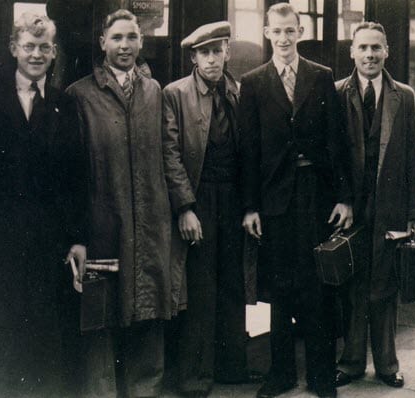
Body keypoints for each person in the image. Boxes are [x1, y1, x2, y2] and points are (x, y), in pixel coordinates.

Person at [0, 13, 87, 396]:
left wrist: (78, 238)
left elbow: (77, 176)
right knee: (0, 323)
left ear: (54, 52)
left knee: (45, 327)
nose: (36, 54)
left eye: (44, 47)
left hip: (49, 235)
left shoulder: (65, 104)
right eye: (29, 46)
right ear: (14, 49)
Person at [238, 3, 352, 398]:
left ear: (300, 31)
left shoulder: (321, 77)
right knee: (279, 288)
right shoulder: (252, 83)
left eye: (290, 31)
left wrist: (344, 198)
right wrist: (250, 206)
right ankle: (281, 373)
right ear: (267, 34)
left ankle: (321, 375)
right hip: (274, 200)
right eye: (277, 32)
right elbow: (248, 150)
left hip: (315, 196)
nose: (284, 39)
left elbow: (337, 141)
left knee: (317, 286)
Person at [66, 9, 179, 398]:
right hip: (103, 222)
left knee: (148, 309)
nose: (125, 45)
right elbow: (72, 171)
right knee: (101, 313)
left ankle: (145, 391)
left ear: (142, 41)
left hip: (150, 220)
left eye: (132, 37)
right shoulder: (80, 96)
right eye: (116, 38)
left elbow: (169, 153)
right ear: (102, 43)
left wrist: (183, 207)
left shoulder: (154, 91)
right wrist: (79, 229)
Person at [162, 21, 262, 397]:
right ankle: (194, 376)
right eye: (204, 52)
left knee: (233, 283)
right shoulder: (176, 94)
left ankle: (232, 366)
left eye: (218, 51)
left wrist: (249, 204)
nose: (212, 59)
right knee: (200, 288)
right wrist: (185, 206)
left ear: (227, 54)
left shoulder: (237, 91)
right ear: (193, 57)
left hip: (233, 199)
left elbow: (249, 151)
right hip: (199, 196)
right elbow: (170, 154)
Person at [334, 21, 415, 390]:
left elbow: (414, 157)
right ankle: (352, 361)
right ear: (352, 52)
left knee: (385, 283)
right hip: (350, 207)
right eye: (363, 48)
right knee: (353, 281)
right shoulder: (337, 93)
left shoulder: (404, 96)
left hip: (389, 204)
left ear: (387, 51)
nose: (369, 55)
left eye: (376, 48)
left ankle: (387, 364)